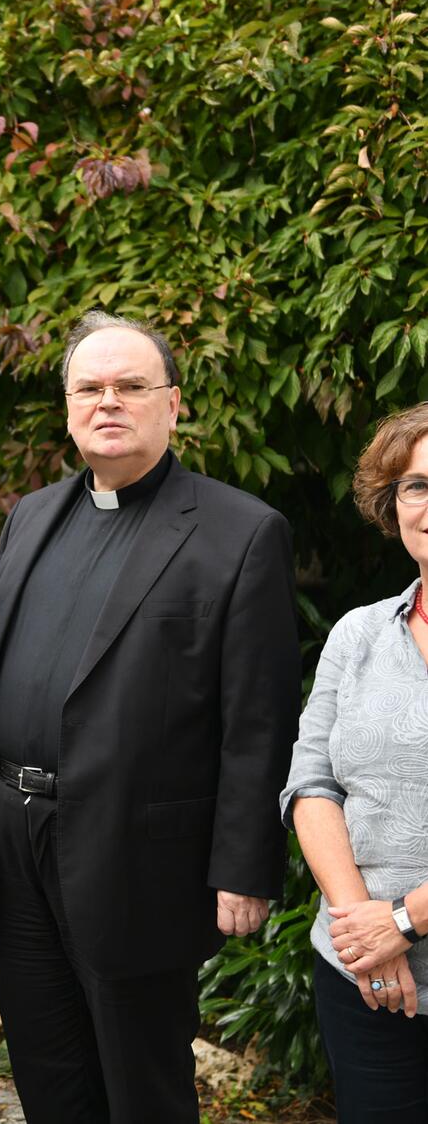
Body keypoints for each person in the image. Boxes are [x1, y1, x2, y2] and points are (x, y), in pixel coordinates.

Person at [0, 310, 302, 1123]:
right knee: (48, 1074)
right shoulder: (33, 516)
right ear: (69, 405)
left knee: (141, 1084)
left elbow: (258, 717)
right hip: (13, 843)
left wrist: (244, 865)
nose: (107, 401)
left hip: (138, 853)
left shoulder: (241, 532)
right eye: (90, 387)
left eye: (130, 386)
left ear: (173, 403)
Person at [282, 401, 428, 1121]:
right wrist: (361, 925)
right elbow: (311, 783)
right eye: (417, 485)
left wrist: (403, 922)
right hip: (362, 979)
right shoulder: (358, 632)